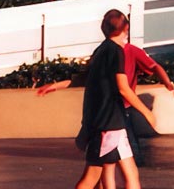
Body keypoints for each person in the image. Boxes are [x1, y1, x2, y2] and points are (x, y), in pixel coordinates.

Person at [38, 10, 158, 189]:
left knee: (126, 173)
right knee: (92, 176)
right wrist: (147, 112)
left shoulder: (101, 50)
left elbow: (82, 78)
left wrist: (56, 85)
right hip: (108, 125)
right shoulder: (116, 52)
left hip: (110, 124)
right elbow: (123, 88)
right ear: (126, 28)